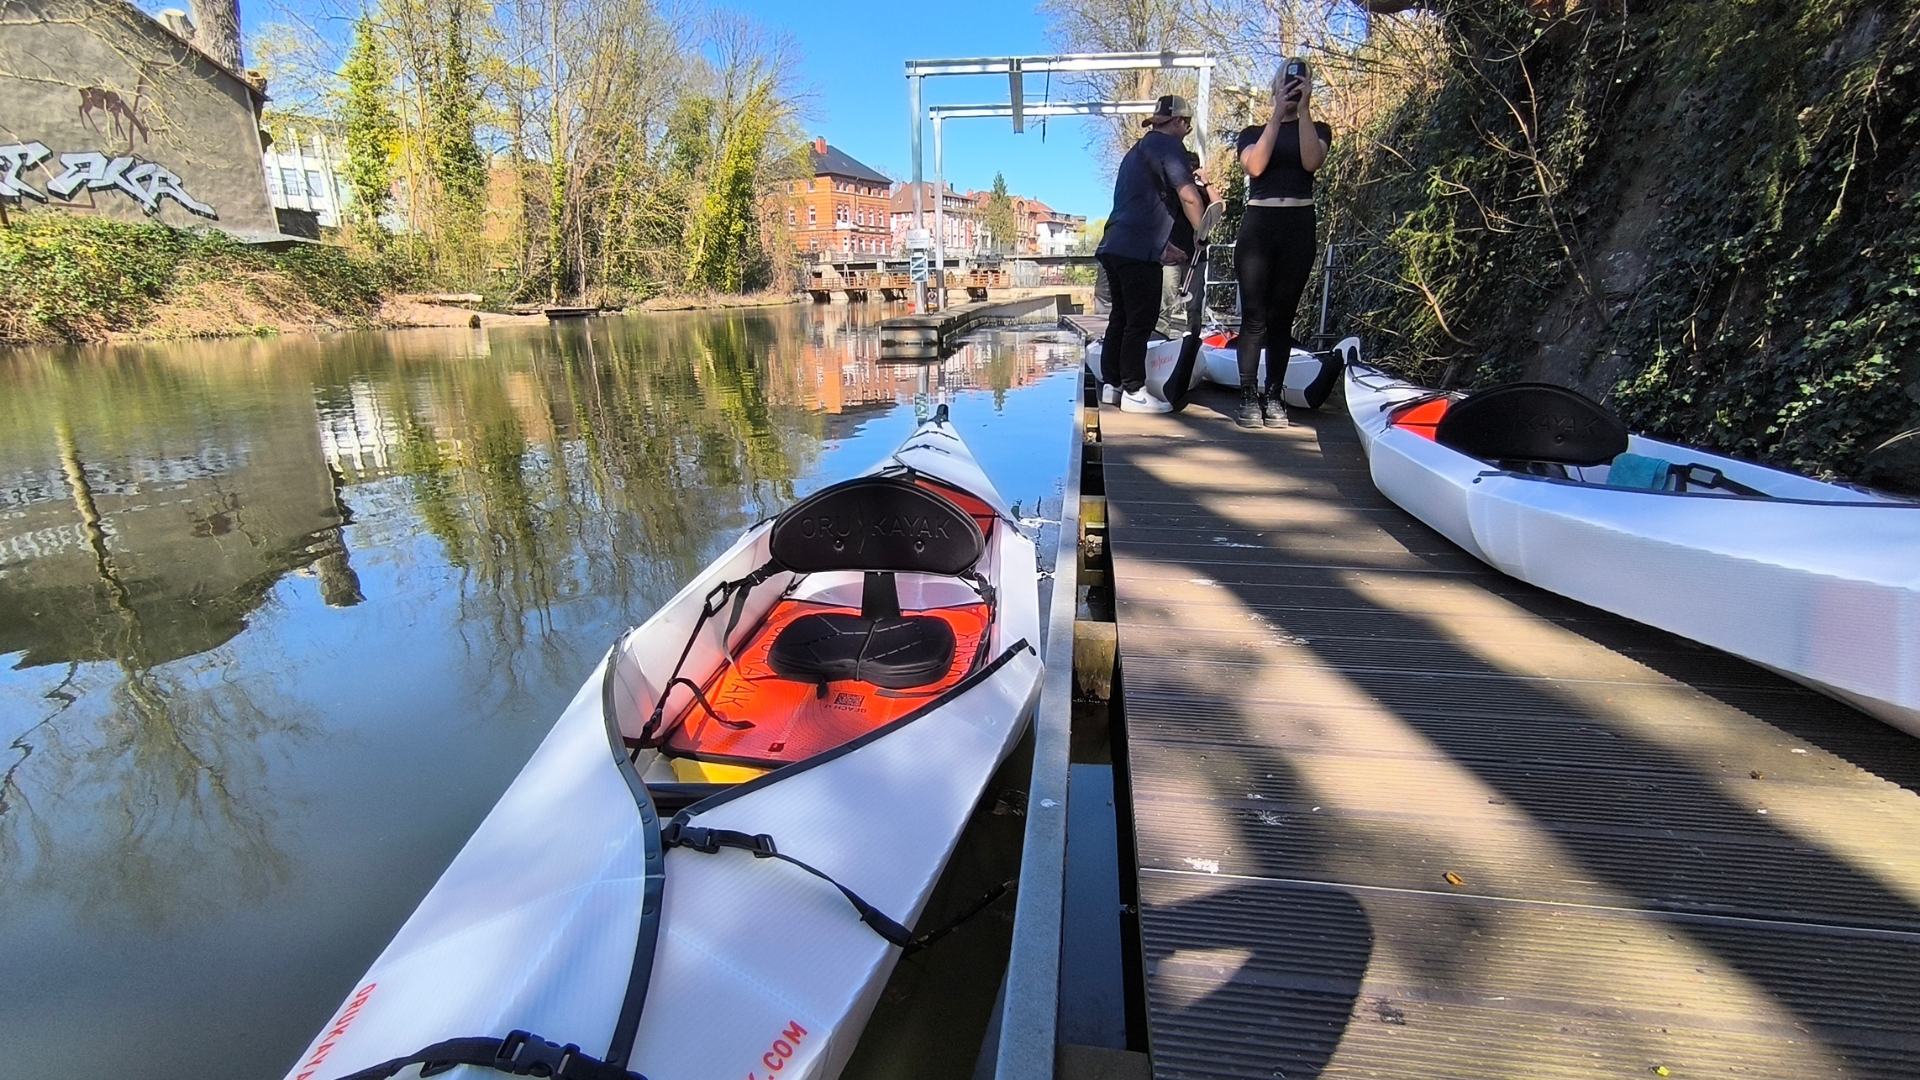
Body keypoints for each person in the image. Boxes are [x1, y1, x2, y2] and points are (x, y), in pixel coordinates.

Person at [1233, 60, 1331, 429]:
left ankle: (1274, 395)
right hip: (1260, 224)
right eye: (1285, 85)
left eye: (1299, 85)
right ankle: (1247, 395)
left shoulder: (1319, 128)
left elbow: (1311, 161)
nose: (1291, 91)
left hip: (1299, 225)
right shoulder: (1251, 132)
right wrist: (1277, 115)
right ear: (1275, 88)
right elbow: (1255, 167)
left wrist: (1302, 111)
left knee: (1281, 317)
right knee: (1254, 316)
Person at [1095, 94, 1207, 414]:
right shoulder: (1170, 148)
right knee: (1140, 322)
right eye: (1185, 124)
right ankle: (1134, 390)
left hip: (1114, 244)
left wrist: (1161, 247)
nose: (1186, 130)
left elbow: (1140, 209)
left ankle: (1112, 385)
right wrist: (1202, 234)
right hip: (1137, 252)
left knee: (1120, 318)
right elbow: (1188, 197)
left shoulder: (1135, 152)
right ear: (1177, 122)